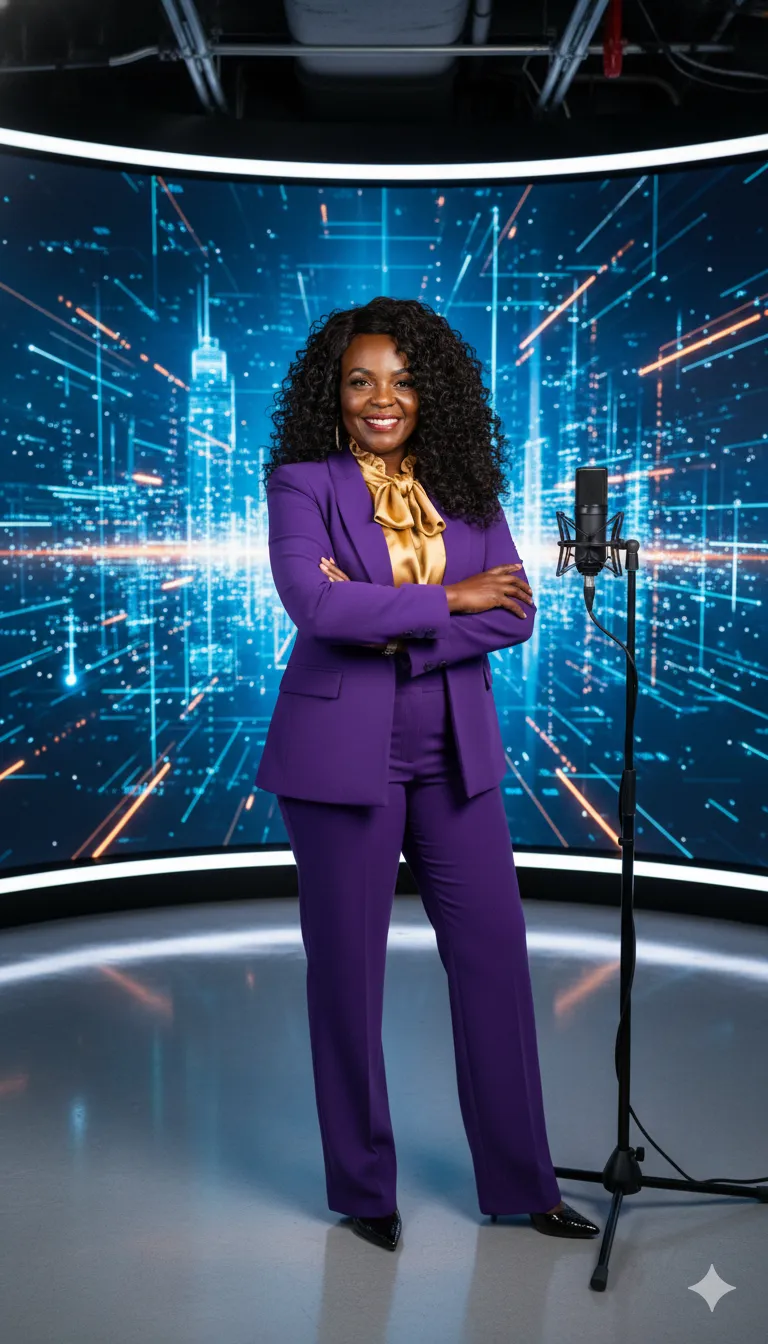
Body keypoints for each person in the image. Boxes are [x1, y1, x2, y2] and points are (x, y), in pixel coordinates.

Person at [255, 296, 599, 1252]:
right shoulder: (302, 484)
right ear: (334, 390)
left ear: (430, 391)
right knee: (348, 980)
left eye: (403, 381)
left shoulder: (468, 487)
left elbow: (517, 613)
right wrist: (450, 597)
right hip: (337, 762)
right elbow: (314, 608)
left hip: (456, 755)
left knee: (494, 961)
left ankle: (523, 1182)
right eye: (361, 379)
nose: (382, 398)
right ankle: (365, 1190)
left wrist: (393, 624)